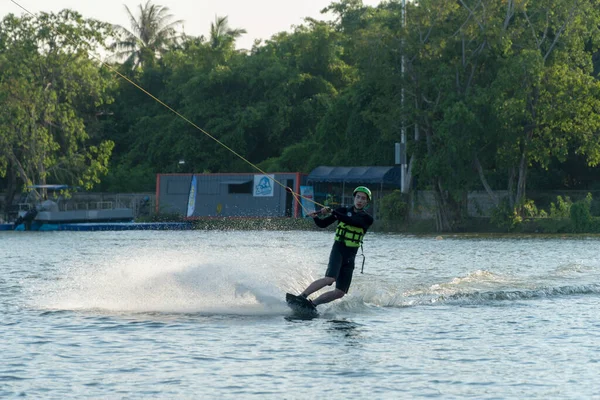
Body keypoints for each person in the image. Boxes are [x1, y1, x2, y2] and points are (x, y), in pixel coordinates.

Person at [295, 186, 374, 308]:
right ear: (354, 198)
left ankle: (313, 304)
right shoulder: (341, 211)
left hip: (351, 255)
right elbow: (323, 224)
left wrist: (333, 212)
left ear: (366, 202)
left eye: (363, 198)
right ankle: (302, 296)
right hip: (338, 250)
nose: (360, 200)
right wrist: (316, 217)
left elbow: (352, 221)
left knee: (340, 292)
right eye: (358, 197)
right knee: (330, 279)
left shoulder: (367, 218)